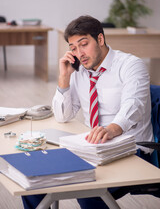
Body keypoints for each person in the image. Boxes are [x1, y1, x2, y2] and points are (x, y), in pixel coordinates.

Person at [22, 15, 154, 209]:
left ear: (100, 39)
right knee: (33, 179)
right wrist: (64, 78)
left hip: (131, 149)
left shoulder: (130, 65)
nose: (79, 53)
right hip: (94, 147)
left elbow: (133, 105)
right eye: (73, 48)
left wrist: (111, 129)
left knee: (87, 190)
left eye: (83, 44)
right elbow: (62, 116)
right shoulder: (81, 71)